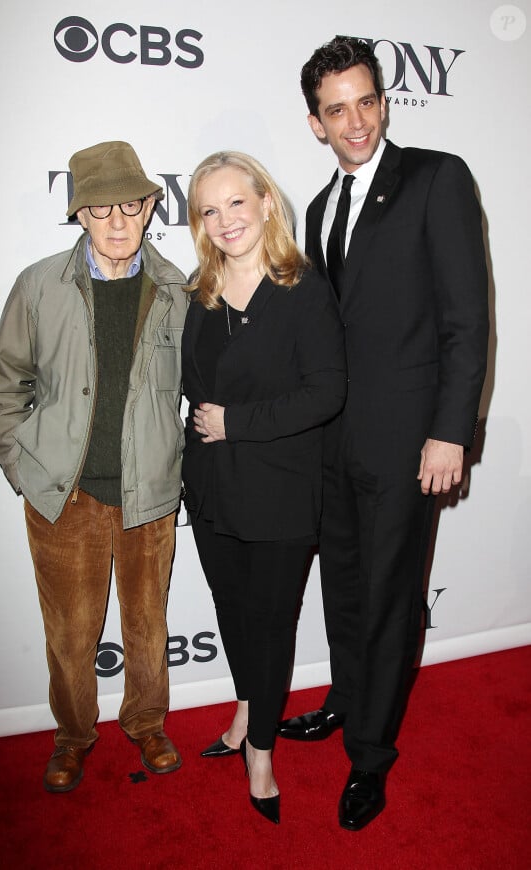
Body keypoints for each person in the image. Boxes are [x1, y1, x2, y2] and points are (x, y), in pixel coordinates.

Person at [277, 36, 489, 830]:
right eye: (338, 110)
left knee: (394, 597)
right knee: (345, 587)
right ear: (316, 122)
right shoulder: (321, 206)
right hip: (335, 441)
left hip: (409, 443)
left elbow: (469, 322)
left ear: (383, 102)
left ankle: (370, 756)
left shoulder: (437, 177)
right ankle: (345, 697)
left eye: (367, 101)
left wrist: (450, 434)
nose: (357, 120)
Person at [0, 141, 188, 793]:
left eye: (131, 205)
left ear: (153, 205)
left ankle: (148, 725)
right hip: (64, 503)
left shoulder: (178, 290)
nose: (119, 222)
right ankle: (72, 737)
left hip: (149, 499)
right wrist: (25, 466)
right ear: (79, 215)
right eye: (101, 209)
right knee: (71, 638)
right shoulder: (39, 286)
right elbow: (2, 381)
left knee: (148, 629)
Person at [181, 151, 347, 824]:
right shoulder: (202, 290)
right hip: (213, 485)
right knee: (231, 607)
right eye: (209, 211)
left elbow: (328, 391)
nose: (225, 221)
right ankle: (246, 705)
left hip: (280, 490)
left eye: (236, 203)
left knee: (272, 622)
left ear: (267, 203)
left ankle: (260, 751)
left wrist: (240, 423)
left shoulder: (302, 286)